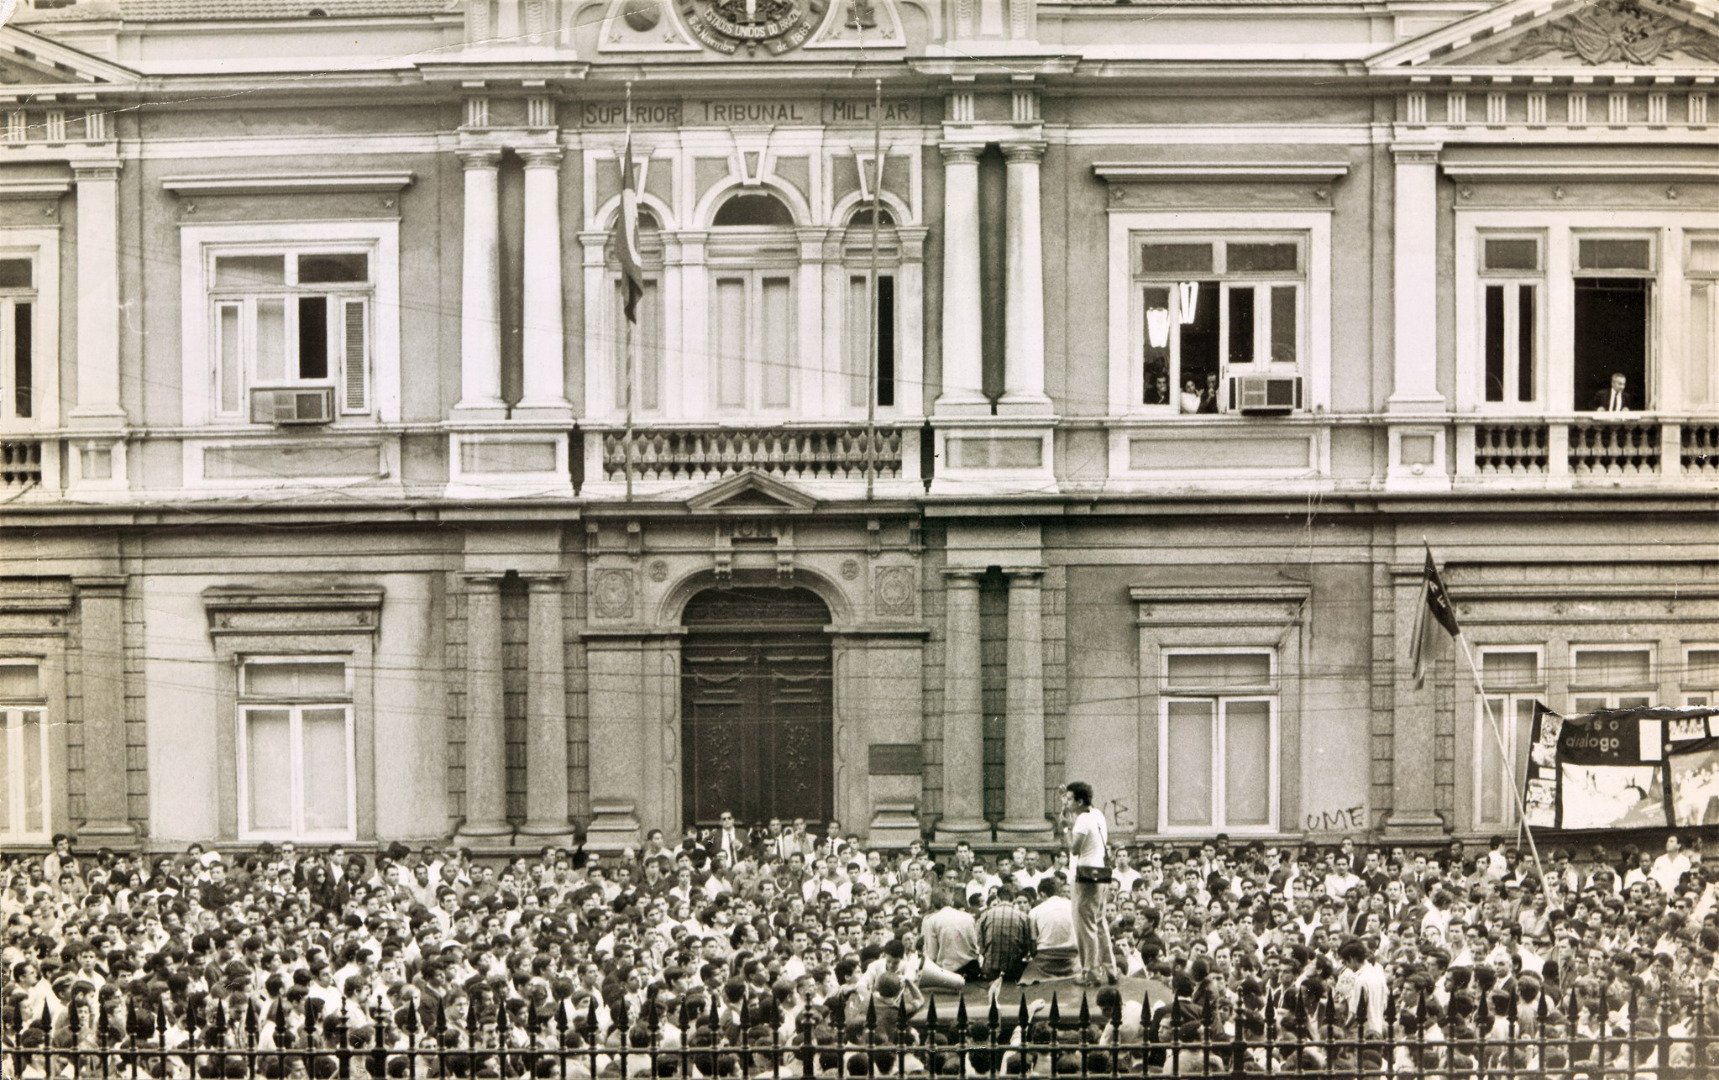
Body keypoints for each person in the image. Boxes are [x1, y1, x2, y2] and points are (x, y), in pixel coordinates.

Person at [1062, 779, 1112, 986]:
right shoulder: (1097, 814)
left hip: (1085, 877)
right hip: (1100, 874)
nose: (1067, 802)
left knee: (1085, 927)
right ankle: (1110, 970)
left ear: (1080, 801)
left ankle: (1090, 973)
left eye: (1070, 799)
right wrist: (1063, 801)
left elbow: (1074, 849)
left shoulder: (1082, 820)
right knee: (1100, 923)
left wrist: (1066, 831)